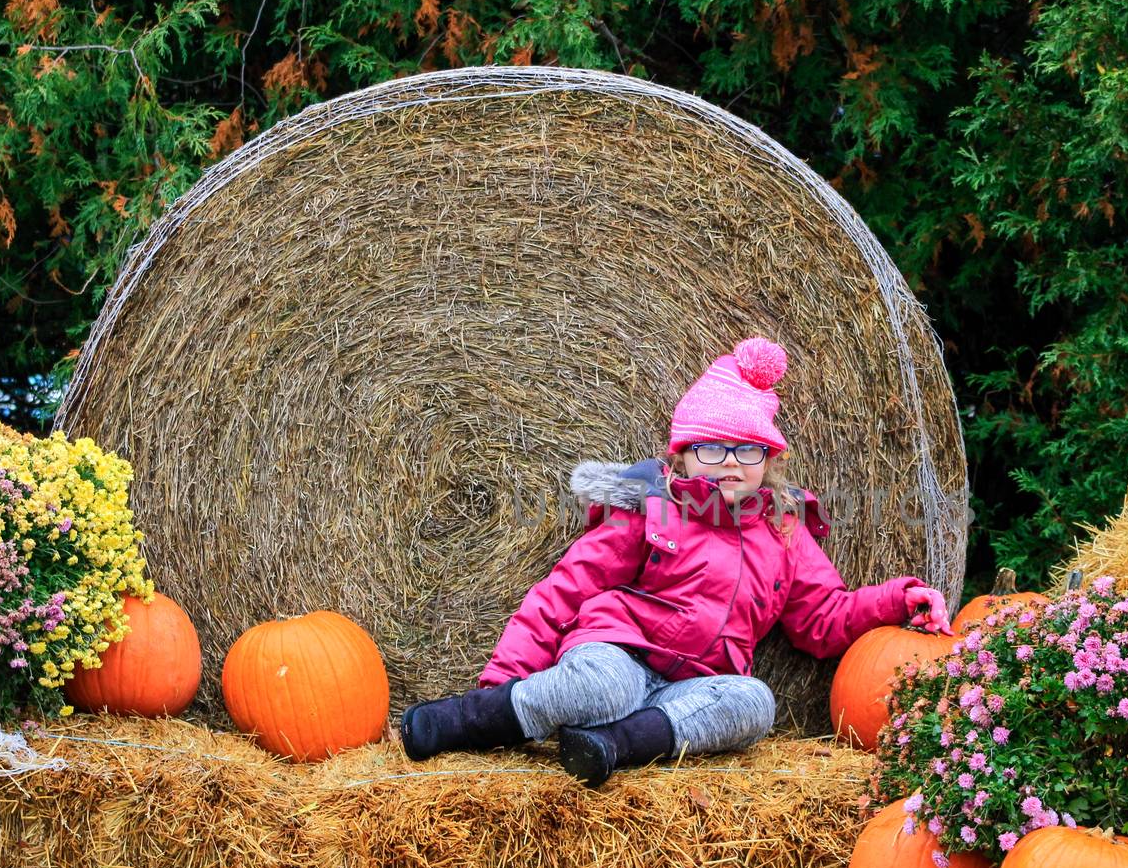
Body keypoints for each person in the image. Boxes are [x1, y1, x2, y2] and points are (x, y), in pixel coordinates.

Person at [398, 336, 953, 786]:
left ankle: (609, 747)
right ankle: (467, 720)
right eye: (712, 449)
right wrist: (502, 679)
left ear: (768, 457)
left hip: (693, 686)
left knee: (754, 702)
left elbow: (821, 619)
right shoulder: (652, 510)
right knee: (606, 688)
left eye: (748, 450)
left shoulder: (785, 531)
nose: (730, 464)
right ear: (682, 454)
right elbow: (565, 589)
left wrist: (894, 600)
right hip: (618, 654)